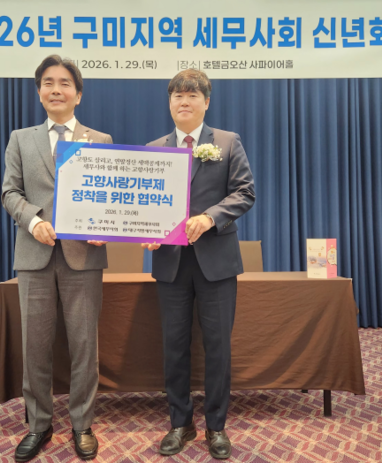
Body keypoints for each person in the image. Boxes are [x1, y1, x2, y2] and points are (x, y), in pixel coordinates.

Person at [2, 54, 112, 462]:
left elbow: (110, 197)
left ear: (78, 94)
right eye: (48, 82)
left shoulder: (100, 140)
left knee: (85, 346)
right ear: (39, 92)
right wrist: (33, 221)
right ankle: (39, 424)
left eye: (65, 83)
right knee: (35, 346)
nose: (56, 89)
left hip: (83, 257)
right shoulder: (20, 138)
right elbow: (10, 192)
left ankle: (82, 424)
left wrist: (104, 226)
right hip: (34, 255)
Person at [143, 69, 255, 460]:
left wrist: (209, 217)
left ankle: (217, 426)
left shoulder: (227, 142)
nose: (184, 101)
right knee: (174, 346)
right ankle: (180, 423)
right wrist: (147, 230)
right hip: (170, 263)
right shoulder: (153, 149)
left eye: (192, 95)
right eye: (177, 95)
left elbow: (245, 192)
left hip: (216, 262)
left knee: (217, 347)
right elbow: (145, 203)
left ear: (206, 102)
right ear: (169, 103)